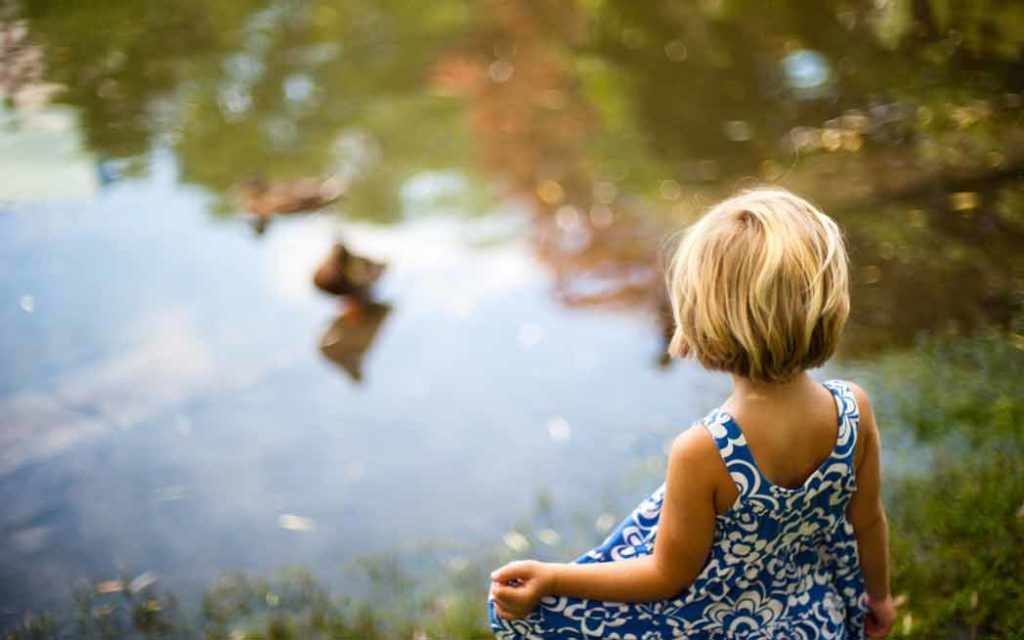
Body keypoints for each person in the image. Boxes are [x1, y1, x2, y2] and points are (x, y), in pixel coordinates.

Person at [488, 188, 895, 639]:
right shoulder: (852, 410)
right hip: (817, 621)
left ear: (703, 314)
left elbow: (667, 575)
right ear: (828, 301)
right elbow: (867, 520)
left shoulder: (706, 451)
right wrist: (878, 599)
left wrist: (554, 579)